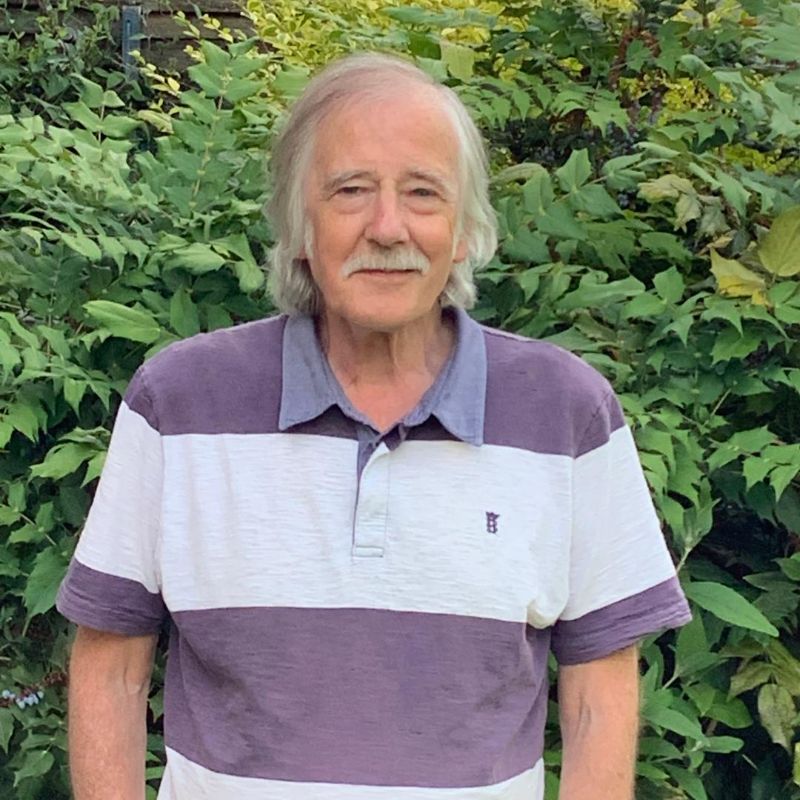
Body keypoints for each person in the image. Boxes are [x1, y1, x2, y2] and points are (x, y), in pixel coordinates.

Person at [57, 52, 691, 800]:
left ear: (463, 230)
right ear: (300, 227)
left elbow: (599, 690)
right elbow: (111, 667)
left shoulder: (568, 412)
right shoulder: (178, 403)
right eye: (351, 190)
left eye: (423, 192)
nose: (388, 227)